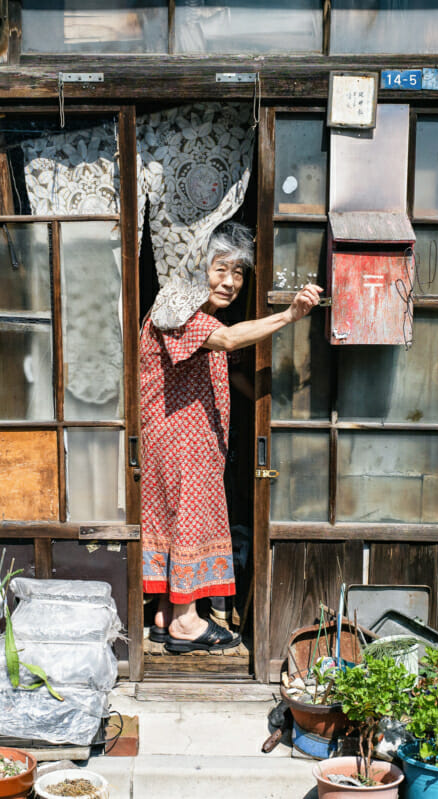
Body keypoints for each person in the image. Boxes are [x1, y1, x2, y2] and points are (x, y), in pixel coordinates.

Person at [140, 222, 322, 653]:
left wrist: (279, 409)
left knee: (176, 523)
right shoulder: (175, 304)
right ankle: (186, 624)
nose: (230, 282)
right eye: (221, 269)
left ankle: (167, 614)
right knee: (187, 522)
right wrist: (289, 315)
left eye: (239, 273)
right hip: (180, 444)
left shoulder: (198, 314)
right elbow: (224, 341)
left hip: (187, 444)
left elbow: (231, 371)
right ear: (198, 268)